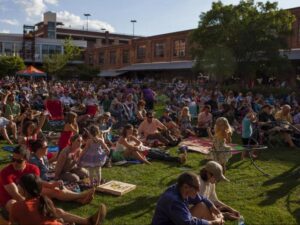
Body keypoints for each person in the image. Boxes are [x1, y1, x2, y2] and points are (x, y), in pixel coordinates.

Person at [0, 146, 95, 214]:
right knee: (18, 208)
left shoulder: (33, 168)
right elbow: (16, 195)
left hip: (28, 193)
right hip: (9, 198)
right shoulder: (5, 172)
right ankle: (80, 199)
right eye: (13, 159)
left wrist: (51, 185)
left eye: (19, 161)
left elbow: (37, 186)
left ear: (26, 160)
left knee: (56, 190)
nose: (14, 163)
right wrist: (36, 205)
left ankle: (80, 197)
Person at [10, 174, 106, 225]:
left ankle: (87, 221)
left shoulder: (16, 207)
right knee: (58, 213)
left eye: (19, 184)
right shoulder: (44, 201)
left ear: (24, 189)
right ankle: (88, 221)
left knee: (58, 212)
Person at [152, 172, 224, 225]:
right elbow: (187, 223)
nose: (198, 191)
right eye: (196, 188)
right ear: (186, 186)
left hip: (176, 221)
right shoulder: (174, 201)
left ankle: (218, 221)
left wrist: (215, 209)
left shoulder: (182, 189)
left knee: (202, 205)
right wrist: (211, 223)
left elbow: (201, 198)